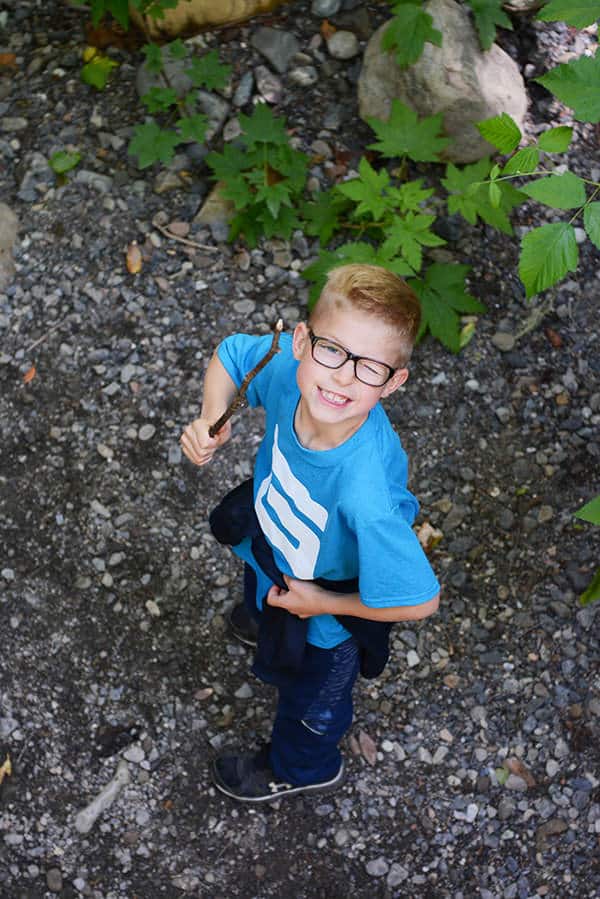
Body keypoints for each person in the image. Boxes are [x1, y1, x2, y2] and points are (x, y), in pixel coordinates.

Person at [180, 263, 440, 803]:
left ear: (394, 382)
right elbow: (232, 353)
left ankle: (302, 767)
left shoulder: (365, 495)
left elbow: (420, 601)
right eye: (333, 350)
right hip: (278, 548)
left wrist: (321, 601)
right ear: (301, 341)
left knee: (311, 704)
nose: (343, 376)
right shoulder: (287, 375)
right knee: (262, 589)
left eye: (369, 368)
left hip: (326, 610)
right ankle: (262, 615)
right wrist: (211, 417)